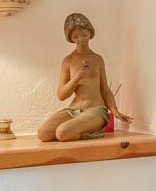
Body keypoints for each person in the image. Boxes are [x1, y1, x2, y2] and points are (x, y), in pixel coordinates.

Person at [37, 12, 122, 142]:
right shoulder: (68, 60)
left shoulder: (97, 59)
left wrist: (115, 111)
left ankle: (89, 130)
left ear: (90, 33)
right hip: (74, 109)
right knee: (43, 134)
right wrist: (77, 77)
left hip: (95, 110)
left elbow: (105, 90)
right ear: (70, 38)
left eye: (84, 35)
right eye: (76, 36)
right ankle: (78, 129)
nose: (81, 40)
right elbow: (61, 95)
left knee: (62, 132)